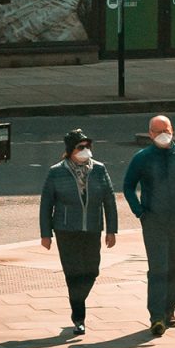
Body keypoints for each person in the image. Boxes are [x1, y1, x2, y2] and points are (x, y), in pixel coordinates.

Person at [122, 115, 175, 338]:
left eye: (165, 130)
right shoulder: (142, 158)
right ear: (150, 134)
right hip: (154, 220)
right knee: (158, 267)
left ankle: (170, 311)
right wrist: (139, 211)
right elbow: (128, 186)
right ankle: (156, 316)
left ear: (172, 130)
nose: (162, 135)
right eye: (157, 131)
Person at [40, 129, 118, 335]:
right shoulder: (56, 171)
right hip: (66, 230)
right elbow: (46, 203)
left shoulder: (99, 170)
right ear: (70, 151)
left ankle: (78, 298)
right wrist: (45, 233)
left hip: (92, 228)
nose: (86, 150)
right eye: (81, 147)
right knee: (73, 274)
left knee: (92, 271)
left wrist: (112, 230)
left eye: (87, 146)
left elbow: (109, 200)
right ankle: (79, 318)